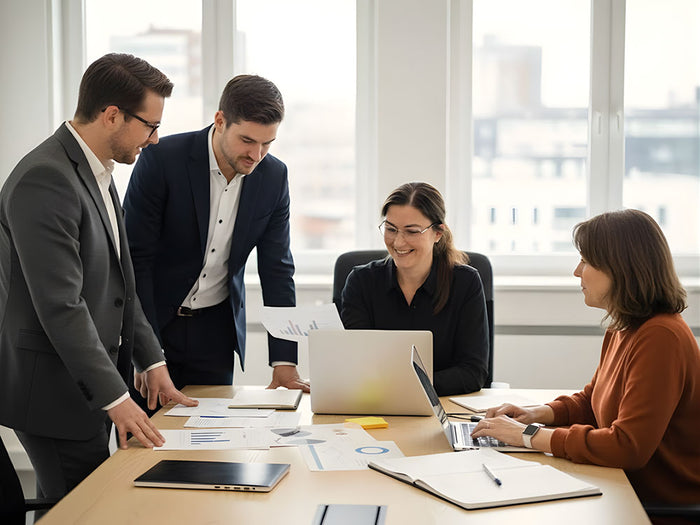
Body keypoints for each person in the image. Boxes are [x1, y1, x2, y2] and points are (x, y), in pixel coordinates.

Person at [0, 53, 197, 506]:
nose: (155, 138)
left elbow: (120, 286)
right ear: (112, 115)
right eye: (150, 125)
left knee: (85, 505)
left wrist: (152, 364)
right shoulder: (46, 178)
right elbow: (60, 305)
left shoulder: (99, 170)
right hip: (51, 393)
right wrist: (115, 396)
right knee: (83, 511)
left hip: (83, 387)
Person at [471, 209, 700, 510]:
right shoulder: (625, 326)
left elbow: (627, 446)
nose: (577, 272)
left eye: (586, 261)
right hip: (619, 488)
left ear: (621, 268)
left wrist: (529, 436)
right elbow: (593, 401)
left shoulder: (661, 338)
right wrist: (535, 415)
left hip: (655, 507)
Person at [123, 74, 308, 407]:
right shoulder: (162, 159)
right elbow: (136, 260)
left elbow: (277, 270)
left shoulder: (273, 177)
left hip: (215, 334)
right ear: (220, 120)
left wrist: (284, 359)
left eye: (268, 143)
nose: (257, 154)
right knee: (147, 446)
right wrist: (147, 353)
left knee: (210, 446)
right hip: (154, 322)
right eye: (248, 140)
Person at [340, 181, 489, 395]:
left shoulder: (465, 283)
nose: (399, 242)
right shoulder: (362, 281)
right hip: (377, 404)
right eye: (391, 229)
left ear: (438, 233)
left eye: (412, 231)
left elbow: (473, 372)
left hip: (443, 406)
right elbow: (357, 362)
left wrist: (407, 386)